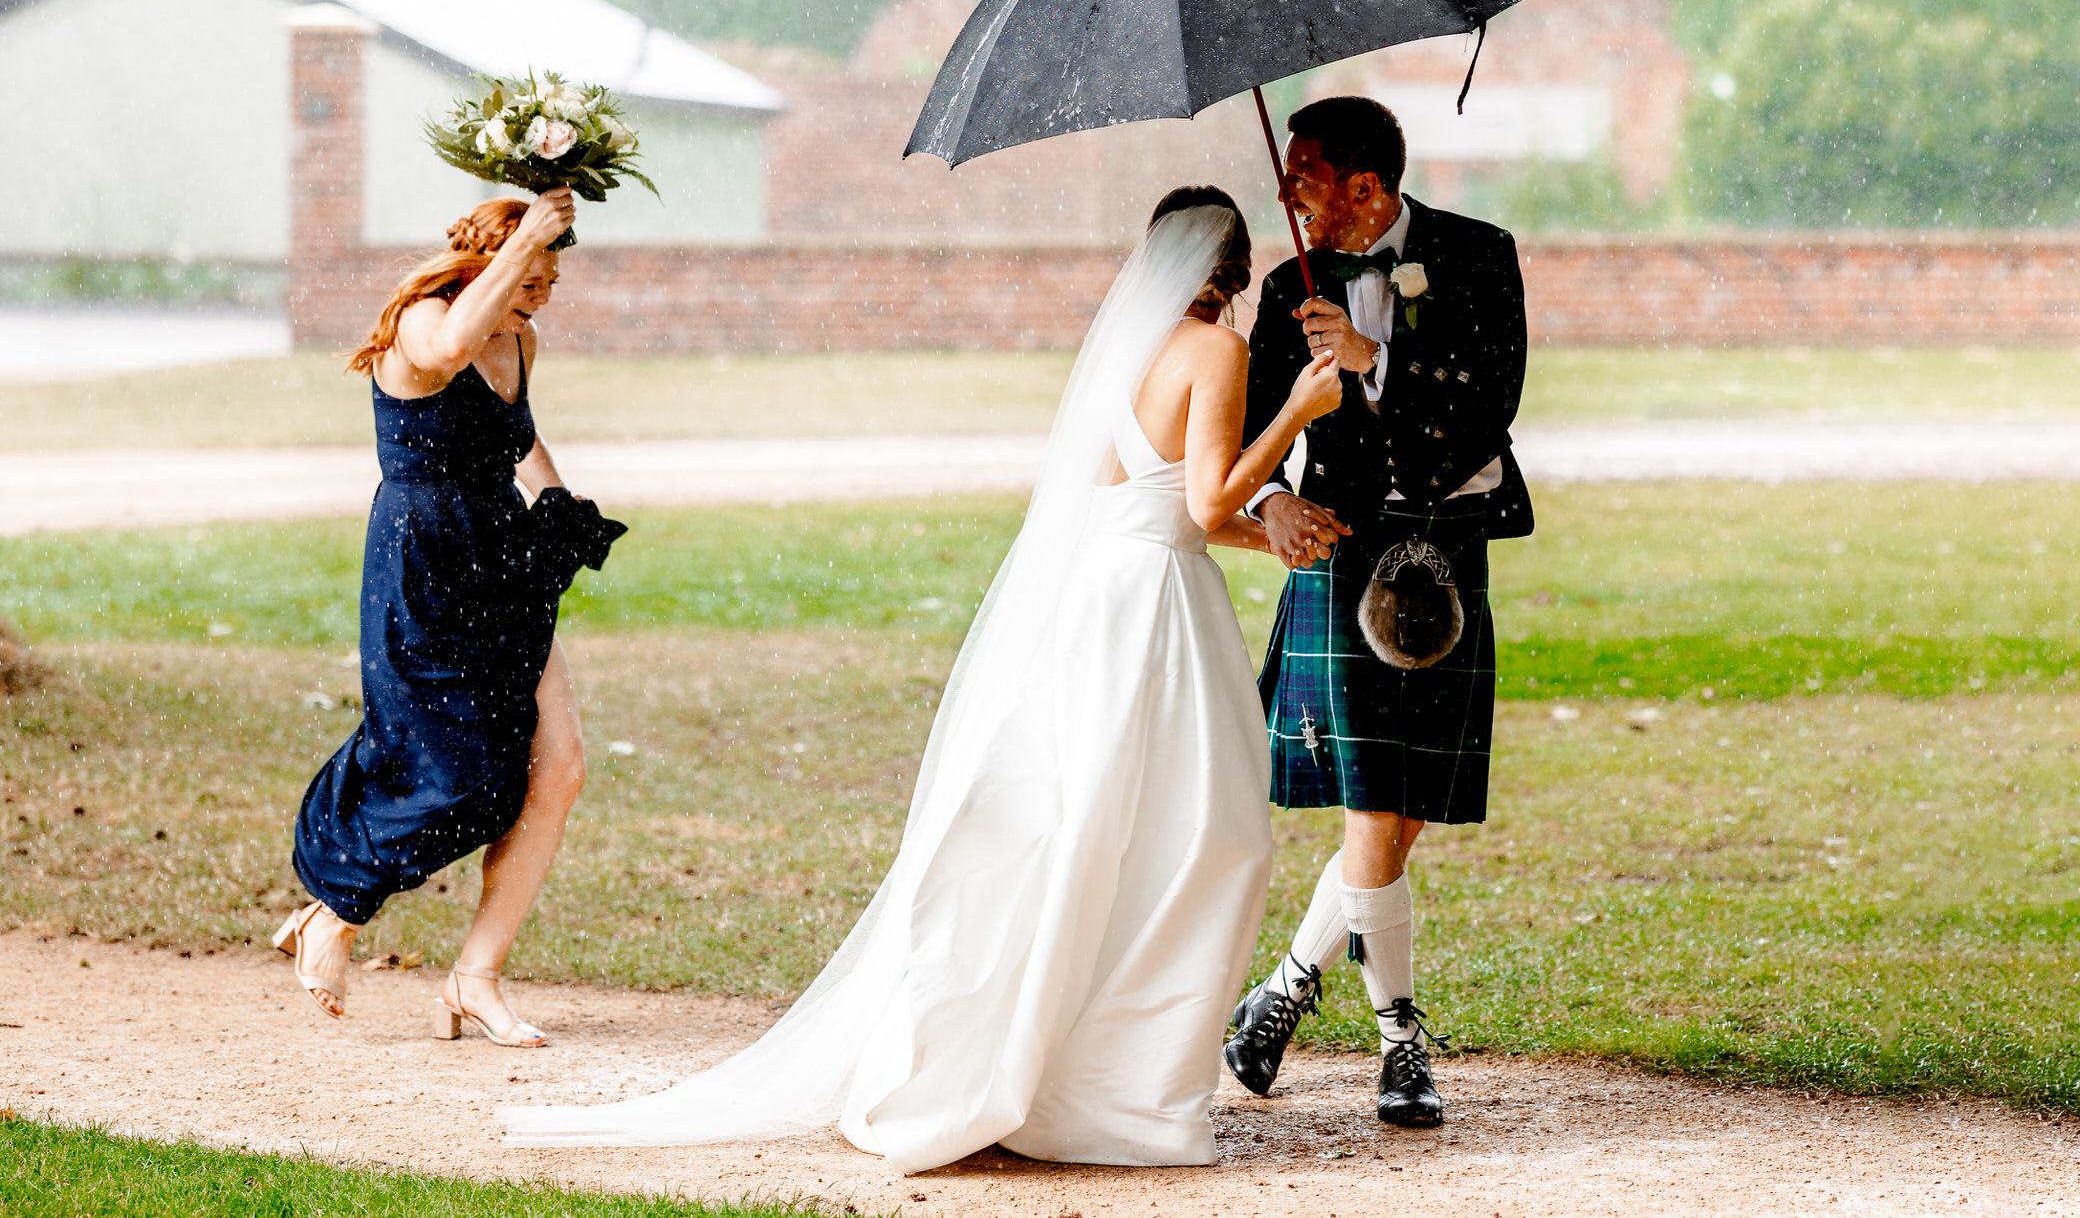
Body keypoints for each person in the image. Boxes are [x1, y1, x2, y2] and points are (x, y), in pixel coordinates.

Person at [500, 188, 1342, 1171]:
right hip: (1156, 617)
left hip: (1100, 601)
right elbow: (1197, 501)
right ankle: (1120, 1093)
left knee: (1095, 833)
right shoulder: (1217, 351)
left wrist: (1270, 525)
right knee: (1201, 839)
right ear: (1234, 271)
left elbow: (1151, 502)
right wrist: (1298, 409)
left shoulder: (1123, 350)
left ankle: (1077, 1069)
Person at [1222, 96, 1534, 1128]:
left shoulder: (1478, 255)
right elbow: (1248, 441)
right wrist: (1271, 504)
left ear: (1366, 186)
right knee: (1374, 803)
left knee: (1401, 813)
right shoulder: (1285, 290)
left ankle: (1283, 992)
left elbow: (1491, 402)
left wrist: (1373, 360)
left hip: (1446, 548)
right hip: (1346, 551)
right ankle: (1401, 1037)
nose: (1286, 189)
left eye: (1302, 170)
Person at [274, 187, 624, 1049]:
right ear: (489, 255)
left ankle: (477, 976)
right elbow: (454, 346)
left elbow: (518, 440)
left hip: (503, 557)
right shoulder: (425, 326)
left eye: (553, 265)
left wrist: (561, 507)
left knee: (560, 765)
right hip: (423, 560)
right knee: (449, 769)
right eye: (534, 262)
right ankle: (336, 907)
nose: (544, 280)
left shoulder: (519, 337)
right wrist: (523, 239)